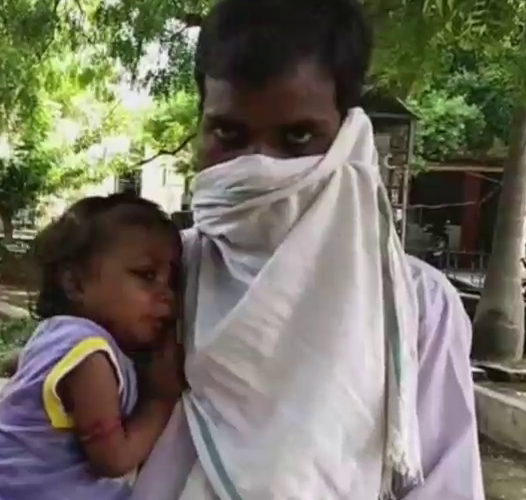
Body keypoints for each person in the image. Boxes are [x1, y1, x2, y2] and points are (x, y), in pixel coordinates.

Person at [131, 0, 485, 499]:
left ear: (346, 135)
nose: (259, 167)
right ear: (200, 128)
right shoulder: (158, 279)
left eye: (298, 137)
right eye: (229, 134)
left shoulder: (414, 308)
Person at [0, 193, 185, 500]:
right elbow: (113, 460)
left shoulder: (60, 336)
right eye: (147, 275)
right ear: (75, 283)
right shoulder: (89, 354)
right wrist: (159, 401)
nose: (166, 294)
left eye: (173, 281)